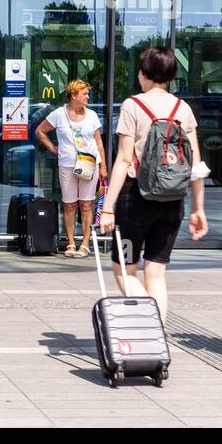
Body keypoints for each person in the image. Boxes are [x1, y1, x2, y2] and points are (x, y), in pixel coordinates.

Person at [99, 46, 207, 322]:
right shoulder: (183, 109)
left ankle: (146, 318)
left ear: (144, 73)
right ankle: (158, 329)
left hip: (135, 199)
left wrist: (108, 207)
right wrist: (198, 208)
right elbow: (195, 164)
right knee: (156, 273)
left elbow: (123, 160)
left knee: (124, 268)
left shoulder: (132, 105)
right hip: (172, 200)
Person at [35, 79, 107, 258]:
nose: (87, 97)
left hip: (89, 164)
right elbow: (40, 131)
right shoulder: (59, 114)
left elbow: (99, 142)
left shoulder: (92, 115)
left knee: (86, 204)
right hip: (67, 164)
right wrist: (52, 148)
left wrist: (103, 166)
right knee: (69, 205)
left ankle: (85, 243)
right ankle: (71, 242)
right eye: (84, 94)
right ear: (74, 95)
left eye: (87, 93)